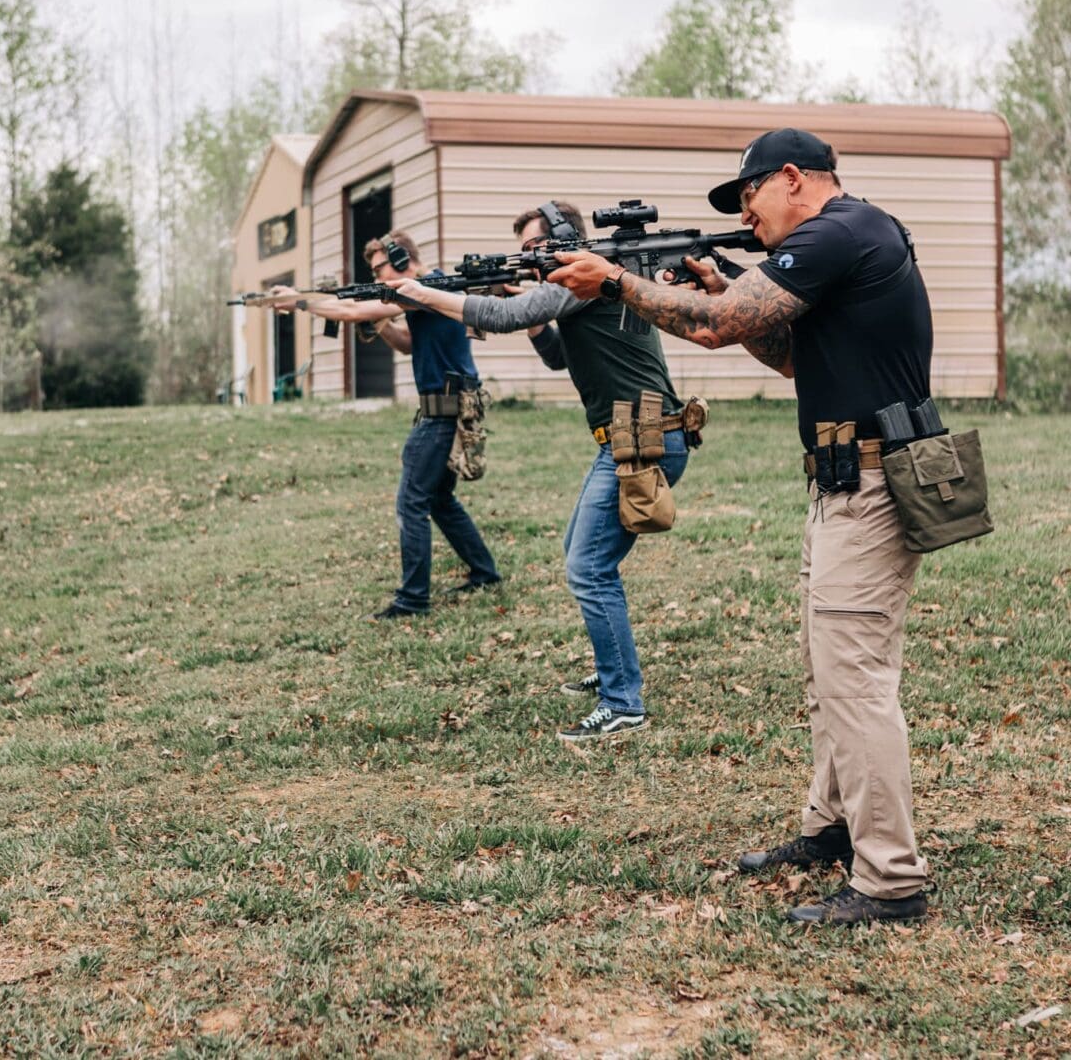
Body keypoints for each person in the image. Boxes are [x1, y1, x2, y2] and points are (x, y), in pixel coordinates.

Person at [548, 129, 934, 925]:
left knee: (855, 684)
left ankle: (891, 876)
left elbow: (719, 326)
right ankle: (831, 828)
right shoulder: (848, 239)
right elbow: (787, 353)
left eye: (749, 195)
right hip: (844, 481)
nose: (746, 214)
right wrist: (720, 285)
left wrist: (619, 281)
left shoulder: (840, 231)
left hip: (868, 484)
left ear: (793, 178)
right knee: (833, 674)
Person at [386, 201, 690, 743]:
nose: (531, 258)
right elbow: (556, 356)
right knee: (585, 554)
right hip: (630, 436)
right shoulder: (585, 284)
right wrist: (529, 309)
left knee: (588, 568)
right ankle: (615, 665)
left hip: (642, 437)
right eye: (526, 250)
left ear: (568, 237)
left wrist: (423, 292)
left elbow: (503, 318)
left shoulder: (585, 275)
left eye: (536, 246)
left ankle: (623, 702)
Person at [270, 231, 501, 620]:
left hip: (443, 409)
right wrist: (381, 324)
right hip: (444, 404)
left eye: (380, 268)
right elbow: (409, 342)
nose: (377, 278)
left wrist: (298, 301)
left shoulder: (428, 287)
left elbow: (349, 312)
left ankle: (413, 599)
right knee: (439, 499)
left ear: (400, 256)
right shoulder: (429, 291)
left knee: (411, 502)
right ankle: (484, 572)